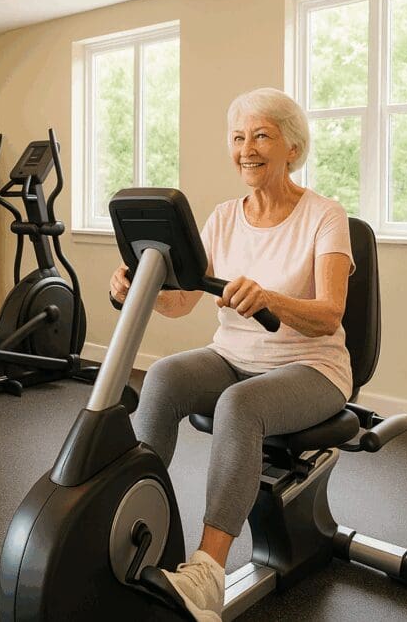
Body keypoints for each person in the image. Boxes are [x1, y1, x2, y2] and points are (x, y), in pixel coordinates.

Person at [109, 88, 354, 621]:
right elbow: (179, 303)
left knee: (240, 406)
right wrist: (136, 289)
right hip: (232, 355)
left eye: (262, 135)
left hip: (312, 367)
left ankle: (207, 576)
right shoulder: (222, 217)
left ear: (293, 146)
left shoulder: (325, 215)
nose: (247, 148)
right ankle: (128, 523)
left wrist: (270, 299)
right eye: (239, 137)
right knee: (165, 376)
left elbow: (330, 313)